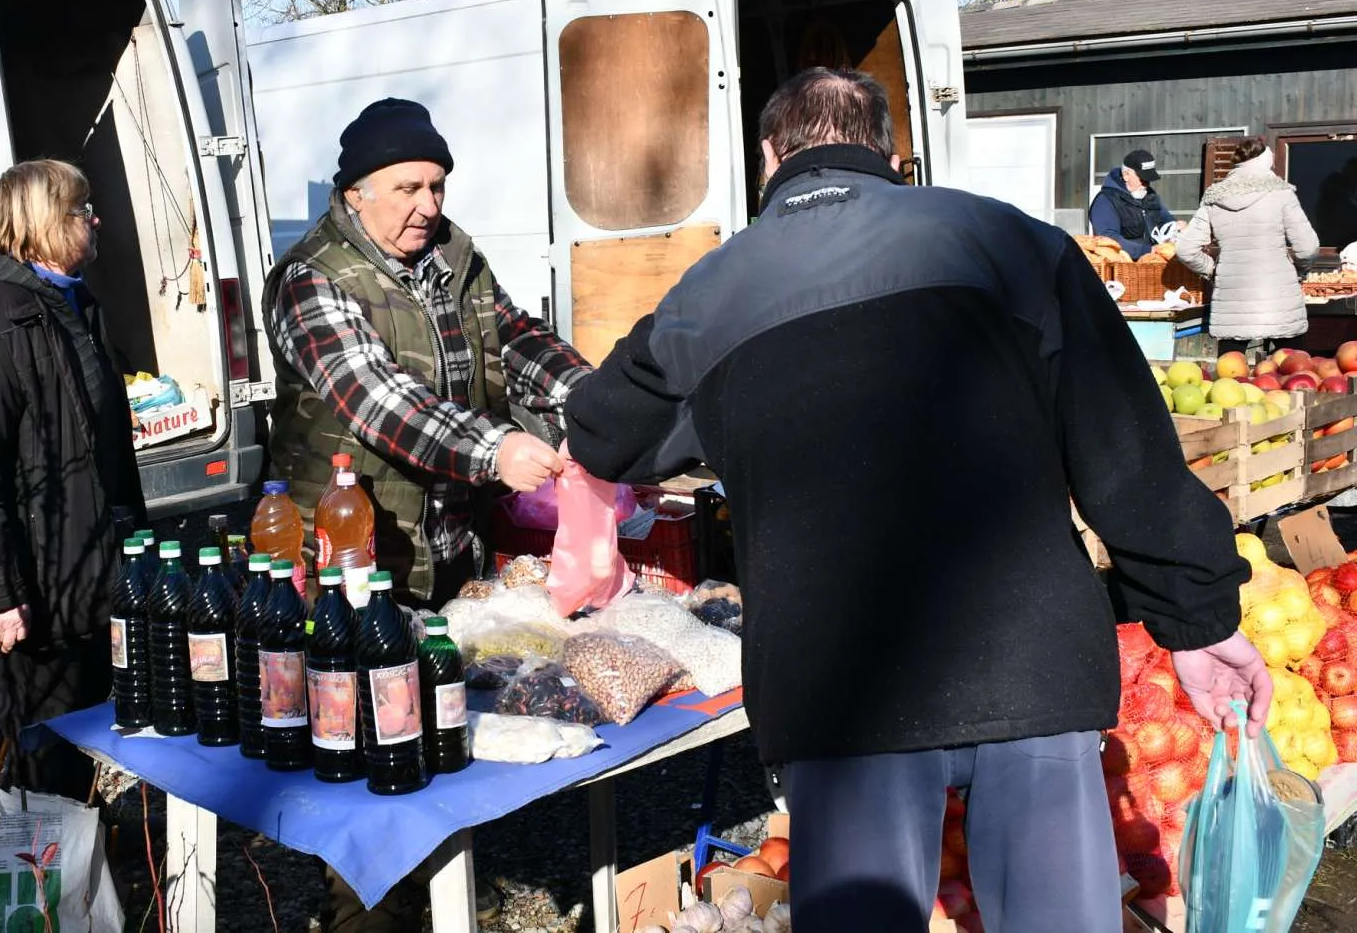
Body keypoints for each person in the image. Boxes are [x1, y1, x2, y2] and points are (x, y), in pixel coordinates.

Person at [563, 69, 1272, 933]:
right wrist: (1197, 619)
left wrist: (730, 417)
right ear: (889, 152)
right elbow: (1127, 452)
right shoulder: (1013, 244)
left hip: (843, 685)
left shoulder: (710, 293)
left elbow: (604, 433)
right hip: (1029, 659)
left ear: (767, 158)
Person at [262, 97, 591, 930]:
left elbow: (518, 340)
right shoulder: (310, 279)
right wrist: (495, 449)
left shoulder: (454, 256)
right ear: (356, 193)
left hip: (450, 547)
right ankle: (369, 908)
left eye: (438, 185)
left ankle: (447, 879)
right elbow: (379, 401)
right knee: (371, 748)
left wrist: (598, 404)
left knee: (450, 719)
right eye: (408, 186)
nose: (428, 205)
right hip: (352, 558)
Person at [0, 160, 145, 798]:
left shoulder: (65, 303)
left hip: (78, 578)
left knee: (72, 743)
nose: (94, 219)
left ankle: (75, 868)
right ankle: (40, 884)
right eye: (81, 209)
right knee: (37, 756)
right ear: (41, 224)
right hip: (36, 593)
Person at [1175, 137, 1320, 355]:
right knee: (1292, 372)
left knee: (1231, 378)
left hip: (1233, 305)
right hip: (1280, 300)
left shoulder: (1215, 197)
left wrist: (1212, 270)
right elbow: (1307, 247)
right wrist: (1299, 271)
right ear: (1267, 161)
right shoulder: (1281, 193)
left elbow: (1185, 249)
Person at [1091, 148, 1176, 259]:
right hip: (1125, 266)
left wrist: (1176, 227)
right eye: (1143, 179)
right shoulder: (1106, 201)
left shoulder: (1149, 195)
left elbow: (1166, 220)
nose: (1146, 185)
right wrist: (1147, 250)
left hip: (1154, 261)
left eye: (1148, 180)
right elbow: (1109, 239)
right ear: (1126, 175)